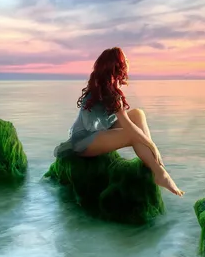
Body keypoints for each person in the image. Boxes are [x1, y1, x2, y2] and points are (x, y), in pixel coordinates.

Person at [53, 47, 184, 197]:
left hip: (96, 132)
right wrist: (152, 145)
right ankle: (159, 172)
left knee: (137, 114)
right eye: (125, 59)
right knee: (132, 135)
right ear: (118, 66)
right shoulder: (110, 92)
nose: (128, 61)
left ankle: (155, 165)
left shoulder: (105, 87)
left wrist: (148, 144)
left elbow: (127, 121)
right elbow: (129, 128)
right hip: (83, 141)